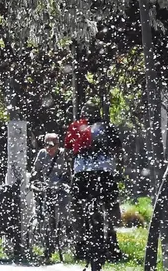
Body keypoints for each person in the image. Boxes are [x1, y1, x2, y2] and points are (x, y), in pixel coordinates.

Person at [67, 105, 122, 270]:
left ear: (83, 115)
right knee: (111, 203)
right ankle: (112, 240)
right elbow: (118, 150)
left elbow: (68, 152)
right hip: (104, 172)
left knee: (76, 205)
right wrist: (119, 171)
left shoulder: (76, 126)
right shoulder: (108, 127)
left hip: (82, 174)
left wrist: (72, 173)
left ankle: (79, 241)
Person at [31, 133, 70, 263]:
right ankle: (48, 248)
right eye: (47, 145)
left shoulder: (64, 154)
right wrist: (35, 183)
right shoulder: (42, 154)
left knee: (65, 215)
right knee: (47, 218)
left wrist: (67, 183)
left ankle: (68, 241)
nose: (50, 148)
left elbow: (69, 172)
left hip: (61, 190)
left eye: (53, 145)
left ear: (58, 145)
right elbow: (36, 171)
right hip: (46, 190)